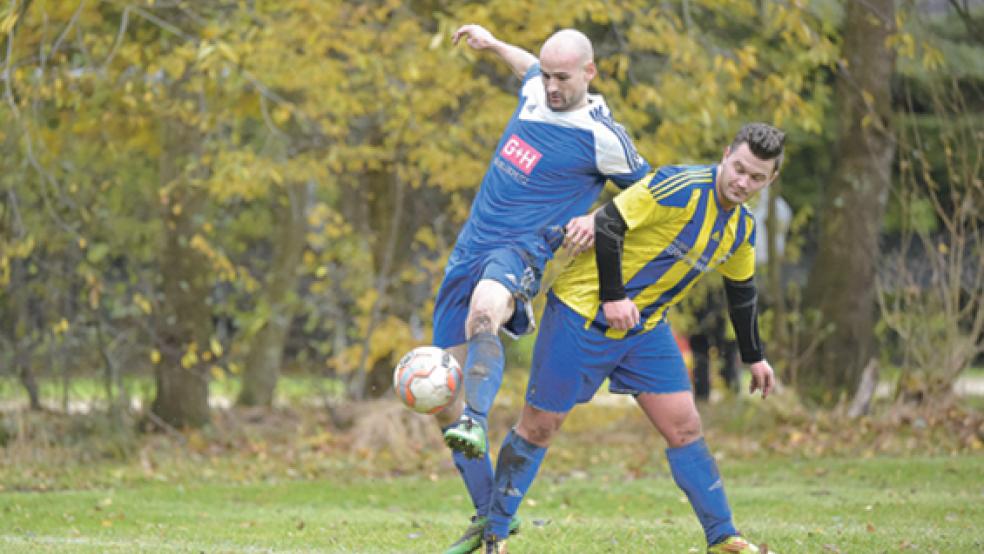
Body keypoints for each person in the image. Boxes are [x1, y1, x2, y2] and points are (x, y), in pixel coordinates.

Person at [481, 123, 784, 553]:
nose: (742, 182)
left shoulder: (742, 228)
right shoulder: (679, 186)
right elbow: (607, 225)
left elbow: (741, 291)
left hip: (644, 330)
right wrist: (614, 296)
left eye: (756, 177)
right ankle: (494, 531)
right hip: (582, 313)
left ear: (770, 180)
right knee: (540, 425)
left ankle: (724, 538)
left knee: (685, 426)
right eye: (739, 168)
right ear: (725, 155)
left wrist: (755, 357)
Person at [433, 24, 652, 554]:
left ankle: (476, 418)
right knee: (438, 396)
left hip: (521, 252)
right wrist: (493, 45)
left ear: (589, 73)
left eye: (563, 77)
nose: (552, 86)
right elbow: (526, 65)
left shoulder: (603, 136)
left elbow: (653, 192)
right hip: (469, 248)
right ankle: (492, 525)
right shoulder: (535, 88)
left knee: (484, 313)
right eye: (549, 75)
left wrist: (599, 216)